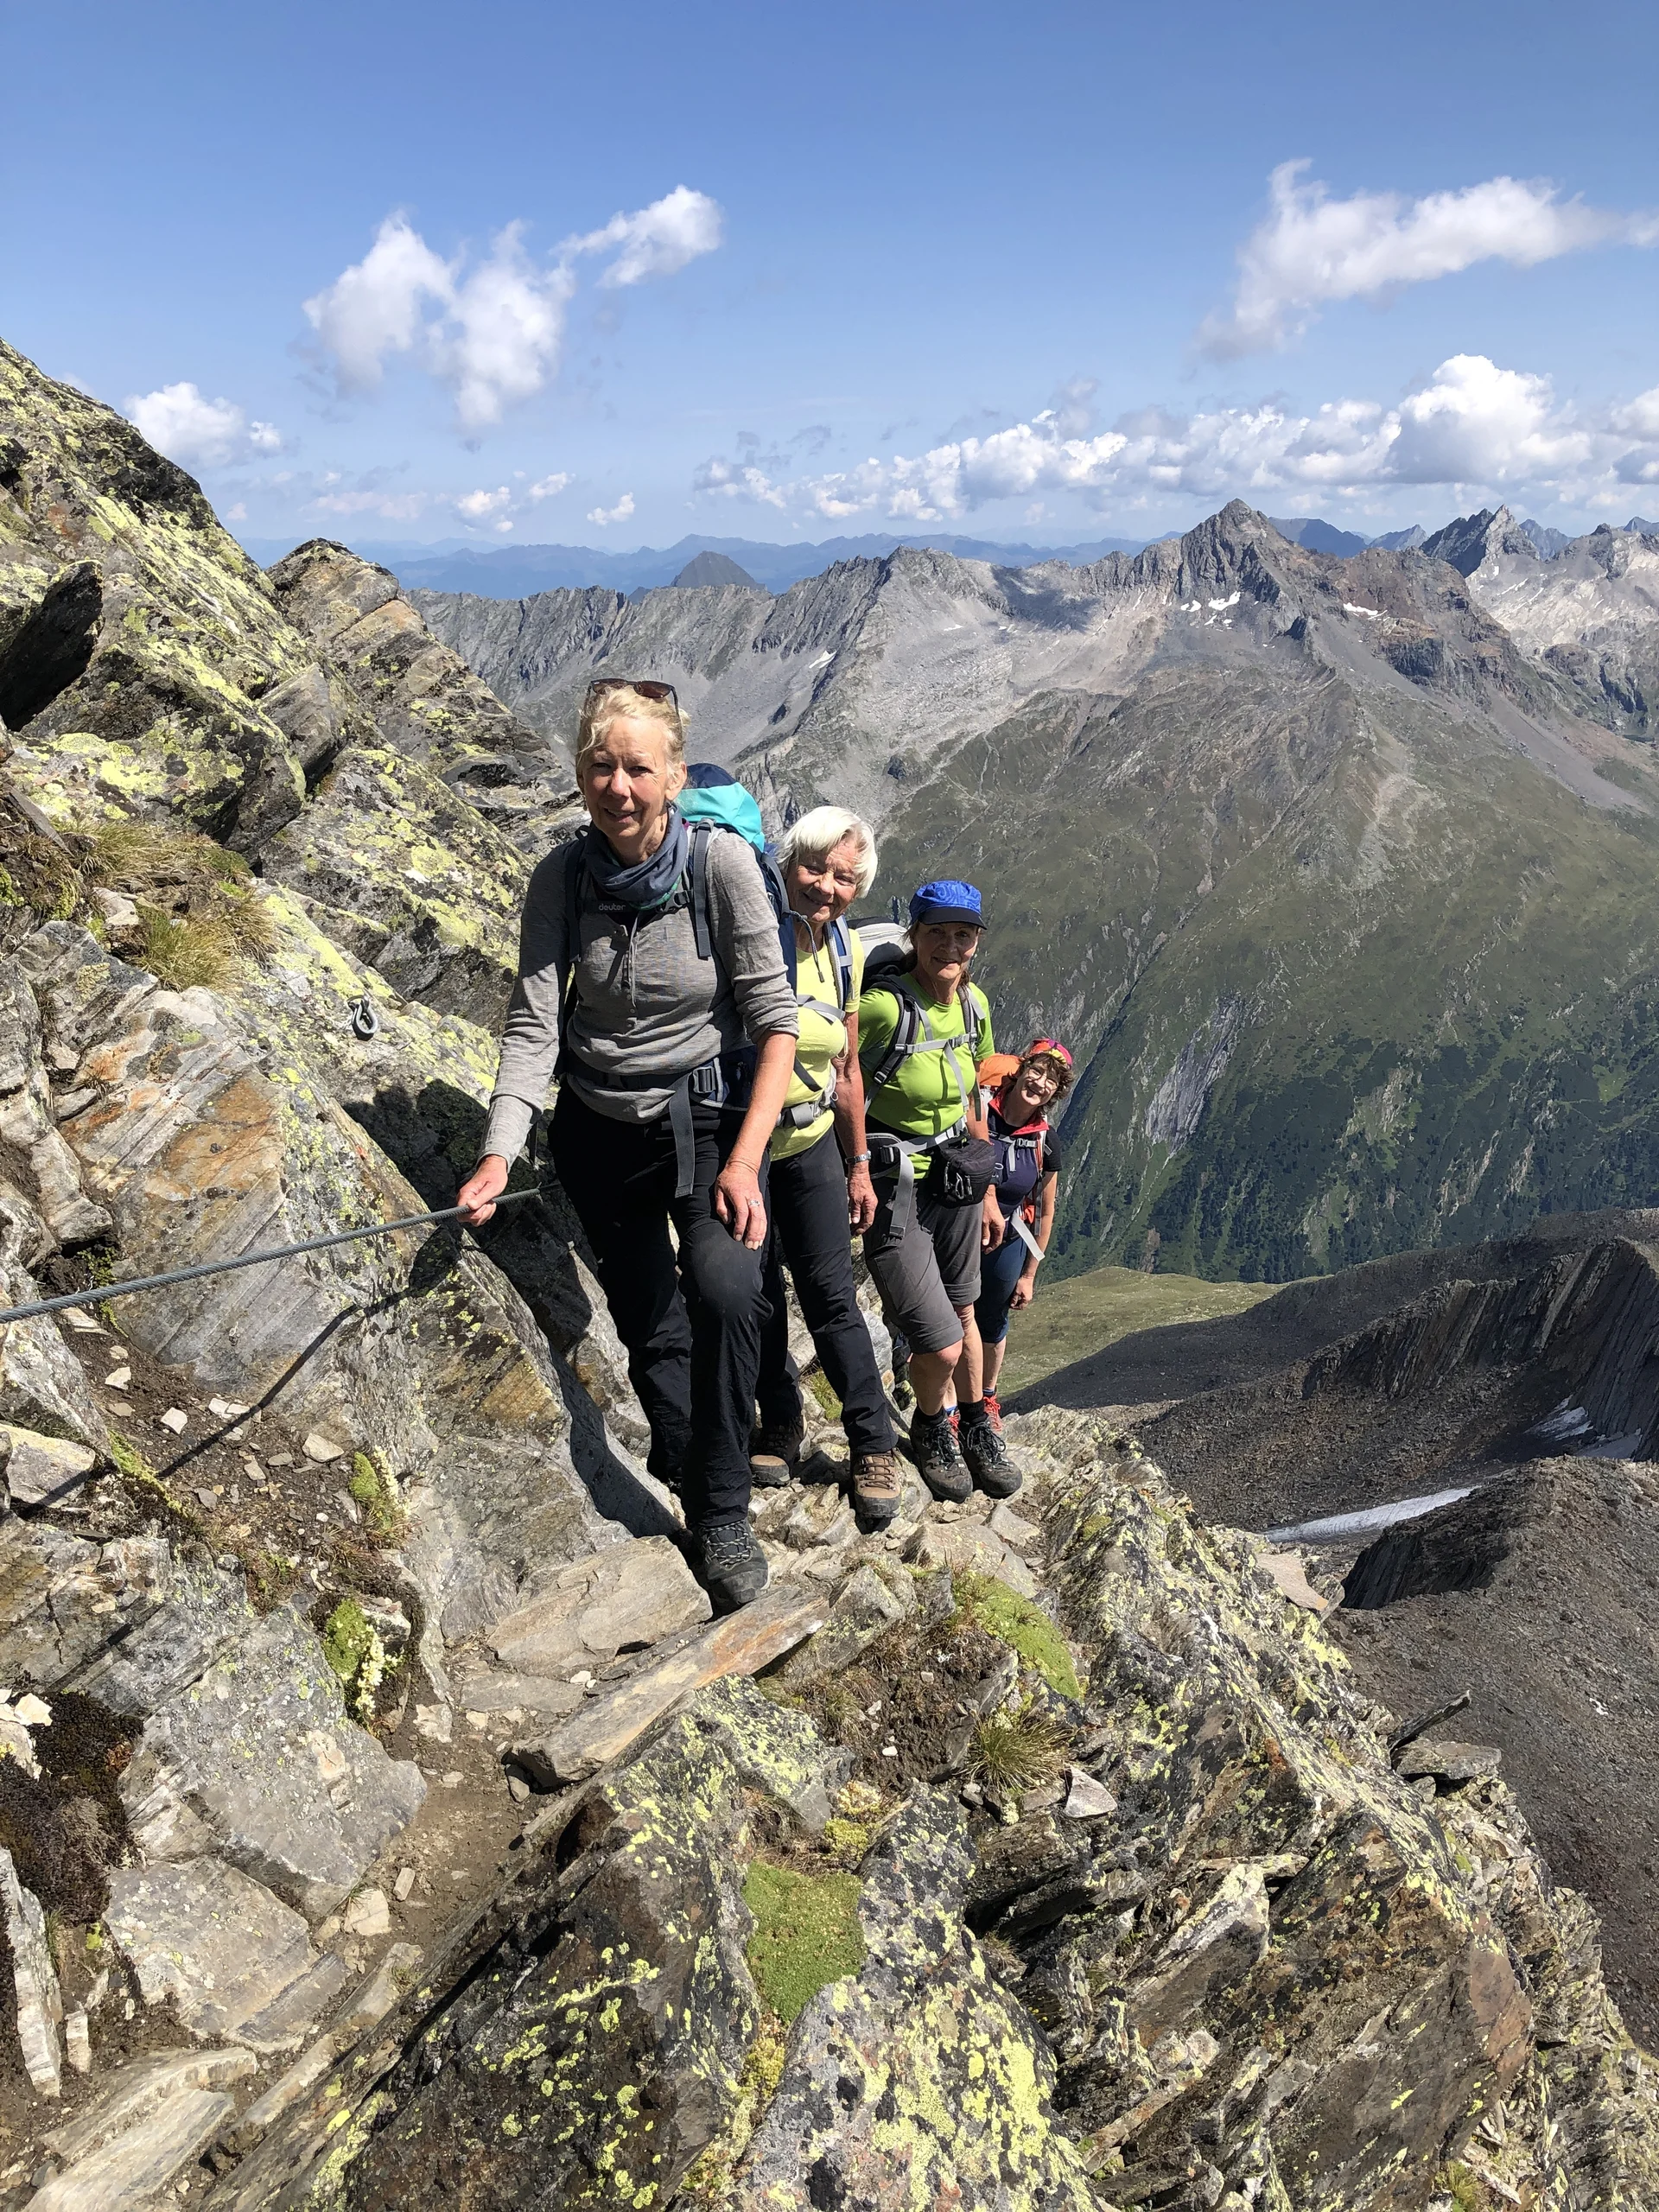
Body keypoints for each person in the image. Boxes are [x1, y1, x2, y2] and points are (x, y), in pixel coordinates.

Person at [455, 680, 798, 1613]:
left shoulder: (721, 868)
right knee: (653, 1321)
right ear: (578, 773)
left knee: (729, 1294)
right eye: (600, 766)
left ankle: (722, 1510)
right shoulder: (561, 878)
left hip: (711, 1127)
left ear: (675, 776)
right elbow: (533, 1028)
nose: (618, 786)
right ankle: (700, 1474)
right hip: (597, 1135)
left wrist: (744, 1162)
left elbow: (776, 1026)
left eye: (638, 768)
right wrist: (499, 1151)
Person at [750, 807, 904, 1531]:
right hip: (743, 1146)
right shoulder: (753, 929)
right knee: (754, 1296)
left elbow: (846, 1069)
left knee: (831, 1298)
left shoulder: (845, 950)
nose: (826, 886)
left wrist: (860, 1165)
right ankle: (781, 1424)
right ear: (789, 862)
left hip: (808, 1142)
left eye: (844, 877)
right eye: (815, 867)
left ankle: (874, 1445)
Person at [857, 880, 1020, 1503]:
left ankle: (975, 1423)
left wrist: (985, 1191)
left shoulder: (975, 1006)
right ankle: (932, 1426)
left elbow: (975, 1097)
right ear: (914, 937)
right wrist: (850, 1167)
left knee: (964, 1313)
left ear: (976, 942)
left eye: (963, 935)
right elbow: (845, 1086)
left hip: (956, 1180)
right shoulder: (882, 1010)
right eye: (937, 933)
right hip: (894, 1189)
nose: (950, 946)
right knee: (940, 1339)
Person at [973, 1039, 1071, 1427]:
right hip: (958, 1232)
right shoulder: (980, 1111)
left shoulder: (1046, 1143)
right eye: (1037, 1070)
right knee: (949, 1314)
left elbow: (1046, 1212)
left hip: (1007, 1243)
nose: (1041, 1082)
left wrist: (1029, 1276)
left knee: (992, 1321)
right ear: (1021, 1068)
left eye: (1052, 1079)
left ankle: (986, 1397)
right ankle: (947, 1404)